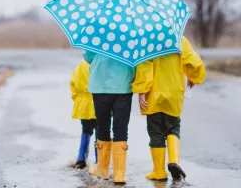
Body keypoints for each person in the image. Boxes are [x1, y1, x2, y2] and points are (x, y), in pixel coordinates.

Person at [134, 36, 206, 182]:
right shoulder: (180, 40)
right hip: (174, 93)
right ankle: (173, 161)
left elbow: (144, 68)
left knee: (156, 132)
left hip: (154, 95)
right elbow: (192, 60)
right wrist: (193, 76)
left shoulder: (149, 41)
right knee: (173, 128)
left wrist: (142, 90)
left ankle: (159, 171)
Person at [84, 51, 151, 185]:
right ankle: (119, 173)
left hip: (100, 86)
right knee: (121, 127)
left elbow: (88, 57)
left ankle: (102, 169)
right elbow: (139, 61)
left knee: (102, 126)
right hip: (123, 87)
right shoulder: (130, 36)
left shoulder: (99, 33)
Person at [70, 60, 98, 171]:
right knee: (101, 132)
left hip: (84, 104)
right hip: (100, 102)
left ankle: (81, 158)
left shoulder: (80, 65)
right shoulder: (101, 64)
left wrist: (78, 99)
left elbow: (73, 85)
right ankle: (99, 161)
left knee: (86, 130)